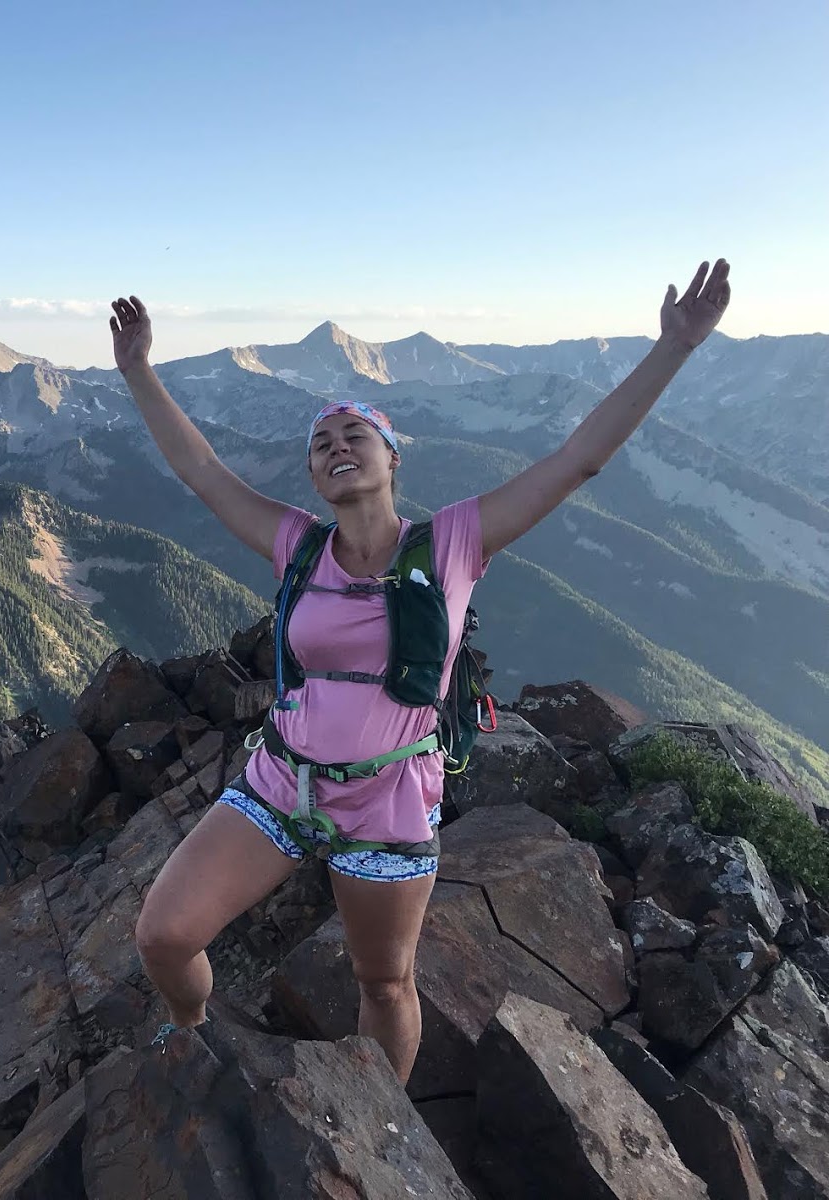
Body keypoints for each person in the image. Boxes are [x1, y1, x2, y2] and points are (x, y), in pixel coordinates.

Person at [112, 260, 732, 1084]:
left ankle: (380, 1120)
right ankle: (190, 1026)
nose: (335, 448)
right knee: (163, 932)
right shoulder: (298, 543)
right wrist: (139, 369)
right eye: (320, 445)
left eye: (353, 436)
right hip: (281, 780)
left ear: (391, 457)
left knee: (384, 981)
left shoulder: (452, 545)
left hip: (389, 797)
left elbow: (578, 459)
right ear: (312, 477)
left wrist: (674, 349)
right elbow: (201, 473)